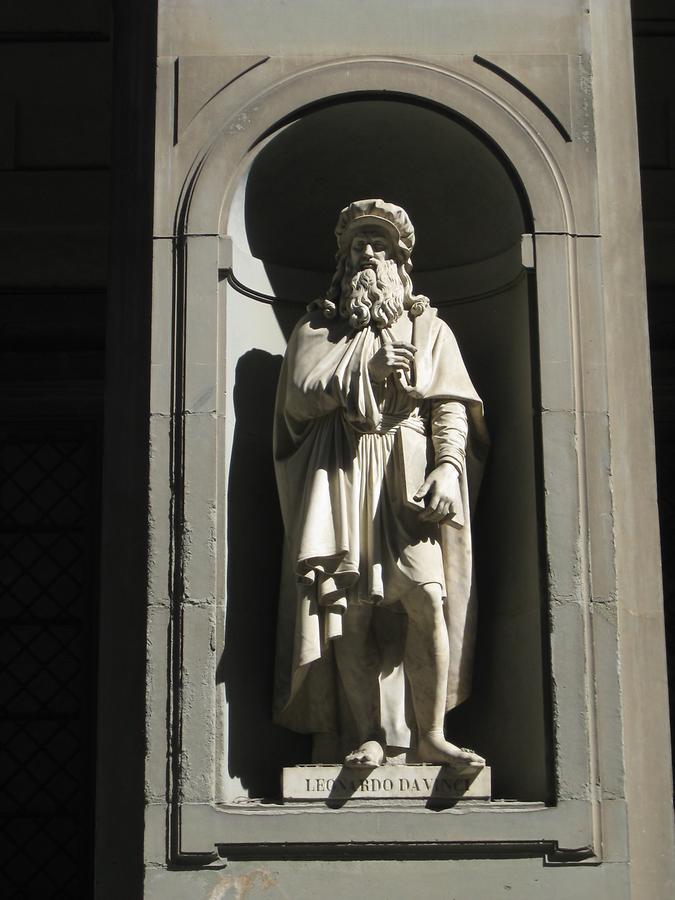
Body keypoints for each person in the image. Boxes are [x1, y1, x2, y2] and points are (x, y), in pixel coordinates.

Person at [273, 199, 488, 770]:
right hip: (344, 466)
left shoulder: (428, 327)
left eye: (381, 246)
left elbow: (450, 406)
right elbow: (299, 394)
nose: (369, 254)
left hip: (407, 462)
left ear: (400, 263)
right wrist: (362, 372)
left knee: (426, 596)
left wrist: (448, 467)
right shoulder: (317, 327)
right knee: (350, 607)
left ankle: (432, 733)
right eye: (358, 246)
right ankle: (364, 733)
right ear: (343, 264)